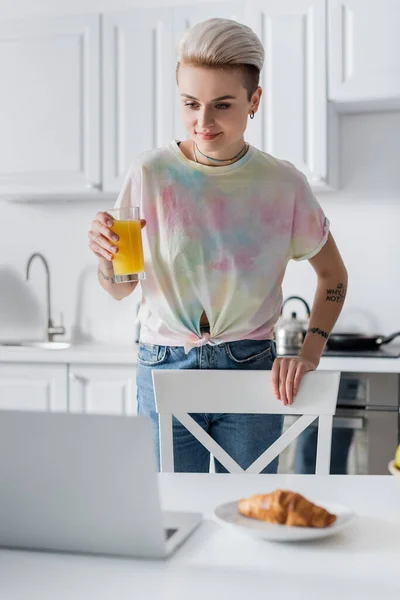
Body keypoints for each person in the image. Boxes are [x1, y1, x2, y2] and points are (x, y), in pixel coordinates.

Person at [88, 18, 348, 473]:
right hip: (162, 363)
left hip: (250, 365)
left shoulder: (283, 184)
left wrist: (309, 354)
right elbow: (120, 287)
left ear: (254, 101)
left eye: (222, 105)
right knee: (170, 515)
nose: (202, 123)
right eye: (190, 104)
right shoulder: (149, 173)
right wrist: (105, 259)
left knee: (249, 512)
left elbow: (333, 276)